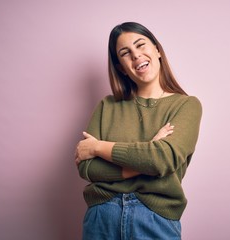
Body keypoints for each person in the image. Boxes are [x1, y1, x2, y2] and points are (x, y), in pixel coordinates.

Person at [75, 21, 202, 240]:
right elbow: (87, 168)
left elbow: (162, 160)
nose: (136, 55)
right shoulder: (107, 105)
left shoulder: (186, 105)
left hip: (154, 218)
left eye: (141, 45)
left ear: (157, 49)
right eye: (125, 53)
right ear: (121, 67)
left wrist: (98, 147)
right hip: (102, 217)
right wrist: (147, 153)